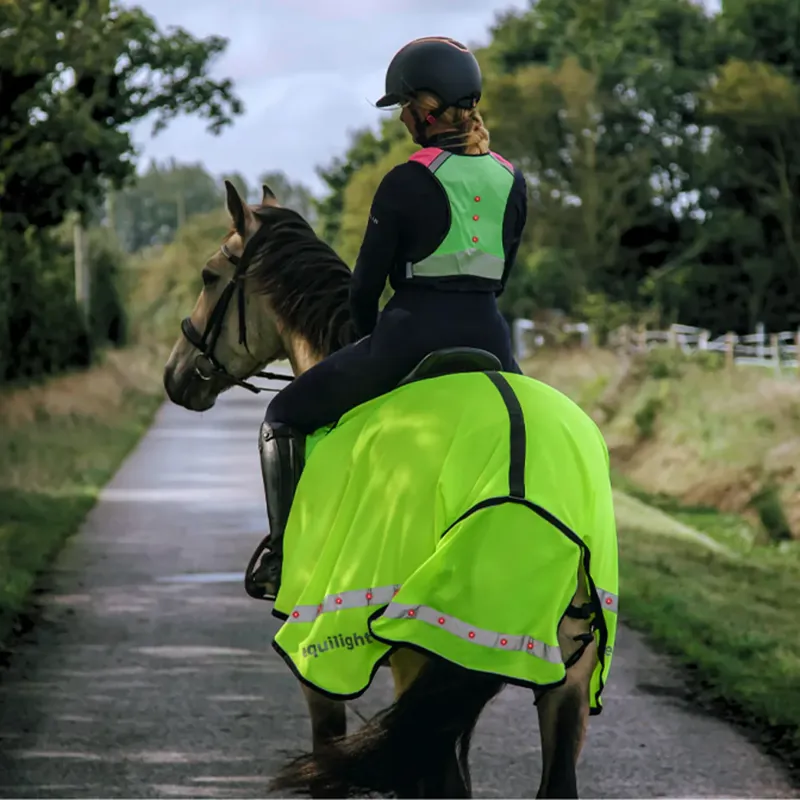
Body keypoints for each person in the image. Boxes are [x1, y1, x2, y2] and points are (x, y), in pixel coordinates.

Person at [245, 36, 529, 602]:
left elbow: (364, 287)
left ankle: (282, 551)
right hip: (493, 343)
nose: (400, 116)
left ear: (427, 108)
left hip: (408, 339)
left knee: (282, 416)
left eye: (402, 104)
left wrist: (365, 341)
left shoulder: (405, 180)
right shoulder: (513, 179)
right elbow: (501, 278)